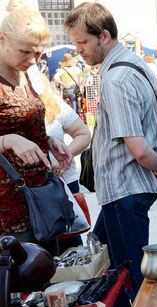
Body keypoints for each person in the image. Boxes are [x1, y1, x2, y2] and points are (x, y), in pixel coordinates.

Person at [65, 2, 157, 307]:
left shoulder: (116, 79)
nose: (79, 51)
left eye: (82, 43)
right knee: (108, 265)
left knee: (127, 277)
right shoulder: (133, 65)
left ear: (103, 35)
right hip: (125, 191)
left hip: (124, 191)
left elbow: (140, 150)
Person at [0, 2, 71, 251]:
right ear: (2, 39)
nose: (32, 60)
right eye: (25, 52)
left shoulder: (25, 73)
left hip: (40, 201)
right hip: (7, 214)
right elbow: (11, 134)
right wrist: (6, 140)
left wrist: (47, 140)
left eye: (38, 54)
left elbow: (25, 122)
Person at [38, 73, 91, 250]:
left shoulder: (54, 105)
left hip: (64, 185)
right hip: (31, 193)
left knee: (70, 246)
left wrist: (64, 157)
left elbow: (83, 134)